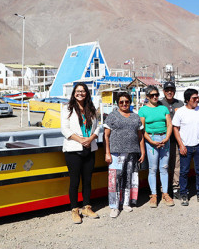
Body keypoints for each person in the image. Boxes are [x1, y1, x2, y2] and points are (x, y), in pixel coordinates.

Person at [60, 83, 100, 224]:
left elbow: (98, 127)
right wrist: (81, 140)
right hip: (73, 149)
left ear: (86, 93)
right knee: (75, 181)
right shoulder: (67, 109)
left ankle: (87, 207)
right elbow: (64, 129)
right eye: (77, 91)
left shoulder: (91, 108)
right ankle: (74, 209)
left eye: (83, 91)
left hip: (89, 148)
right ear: (73, 93)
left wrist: (90, 138)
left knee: (88, 180)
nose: (80, 94)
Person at [104, 92, 146, 218]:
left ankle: (126, 202)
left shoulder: (135, 117)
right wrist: (107, 152)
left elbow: (140, 136)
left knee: (129, 178)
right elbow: (106, 135)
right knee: (114, 180)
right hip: (116, 152)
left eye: (126, 101)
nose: (124, 104)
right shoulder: (112, 116)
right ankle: (114, 206)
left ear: (129, 102)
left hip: (132, 152)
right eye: (121, 102)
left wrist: (142, 151)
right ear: (117, 103)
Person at [172, 89, 199, 206]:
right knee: (184, 172)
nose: (197, 100)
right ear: (187, 100)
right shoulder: (180, 112)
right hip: (186, 147)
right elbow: (175, 129)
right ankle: (183, 194)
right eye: (194, 98)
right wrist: (181, 145)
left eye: (197, 98)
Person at [138, 85, 175, 208]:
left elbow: (169, 124)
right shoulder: (143, 110)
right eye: (152, 95)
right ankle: (154, 195)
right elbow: (142, 129)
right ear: (147, 96)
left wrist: (166, 138)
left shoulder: (163, 108)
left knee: (164, 168)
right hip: (151, 140)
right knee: (153, 169)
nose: (155, 97)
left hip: (164, 139)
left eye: (156, 95)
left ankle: (165, 193)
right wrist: (151, 141)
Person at [159, 81, 184, 199]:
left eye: (171, 90)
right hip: (162, 139)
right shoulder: (159, 103)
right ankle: (163, 189)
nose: (169, 92)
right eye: (167, 90)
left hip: (176, 139)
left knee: (176, 163)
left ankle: (175, 188)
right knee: (163, 164)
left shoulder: (180, 103)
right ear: (163, 91)